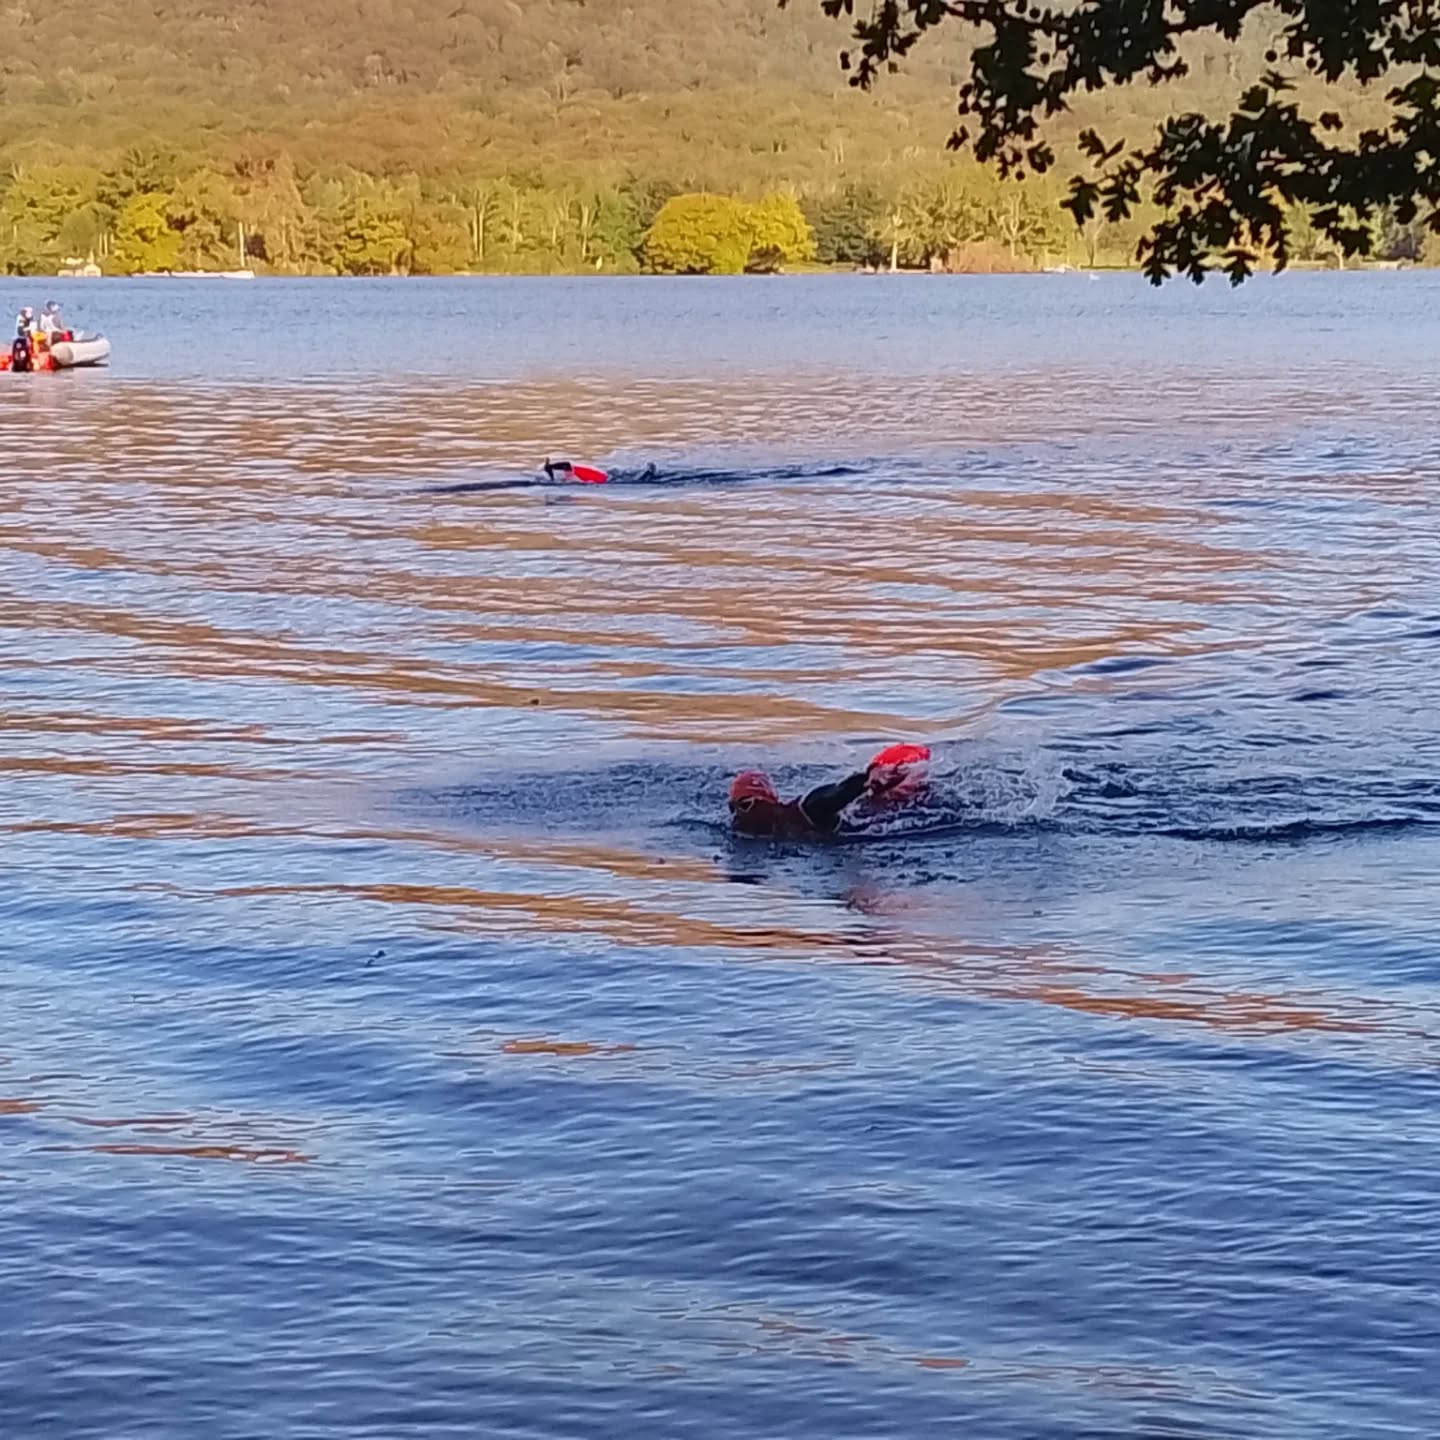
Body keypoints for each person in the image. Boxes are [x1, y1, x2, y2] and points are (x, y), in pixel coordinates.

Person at [728, 744, 931, 839]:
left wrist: (867, 778)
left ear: (768, 802)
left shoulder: (809, 808)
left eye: (746, 805)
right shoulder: (759, 831)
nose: (738, 814)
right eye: (733, 807)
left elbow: (838, 793)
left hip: (886, 813)